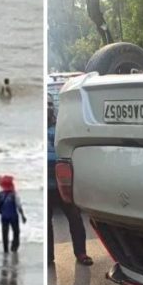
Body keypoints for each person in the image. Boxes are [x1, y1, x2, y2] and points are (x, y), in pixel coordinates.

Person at [48, 108, 92, 265]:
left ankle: (81, 253)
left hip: (65, 184)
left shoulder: (59, 131)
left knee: (75, 219)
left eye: (47, 107)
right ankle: (48, 257)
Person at [0, 176, 26, 253]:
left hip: (4, 217)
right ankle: (14, 248)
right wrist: (23, 216)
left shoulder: (0, 194)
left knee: (5, 233)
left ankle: (5, 250)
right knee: (16, 232)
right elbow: (19, 206)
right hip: (14, 216)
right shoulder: (14, 194)